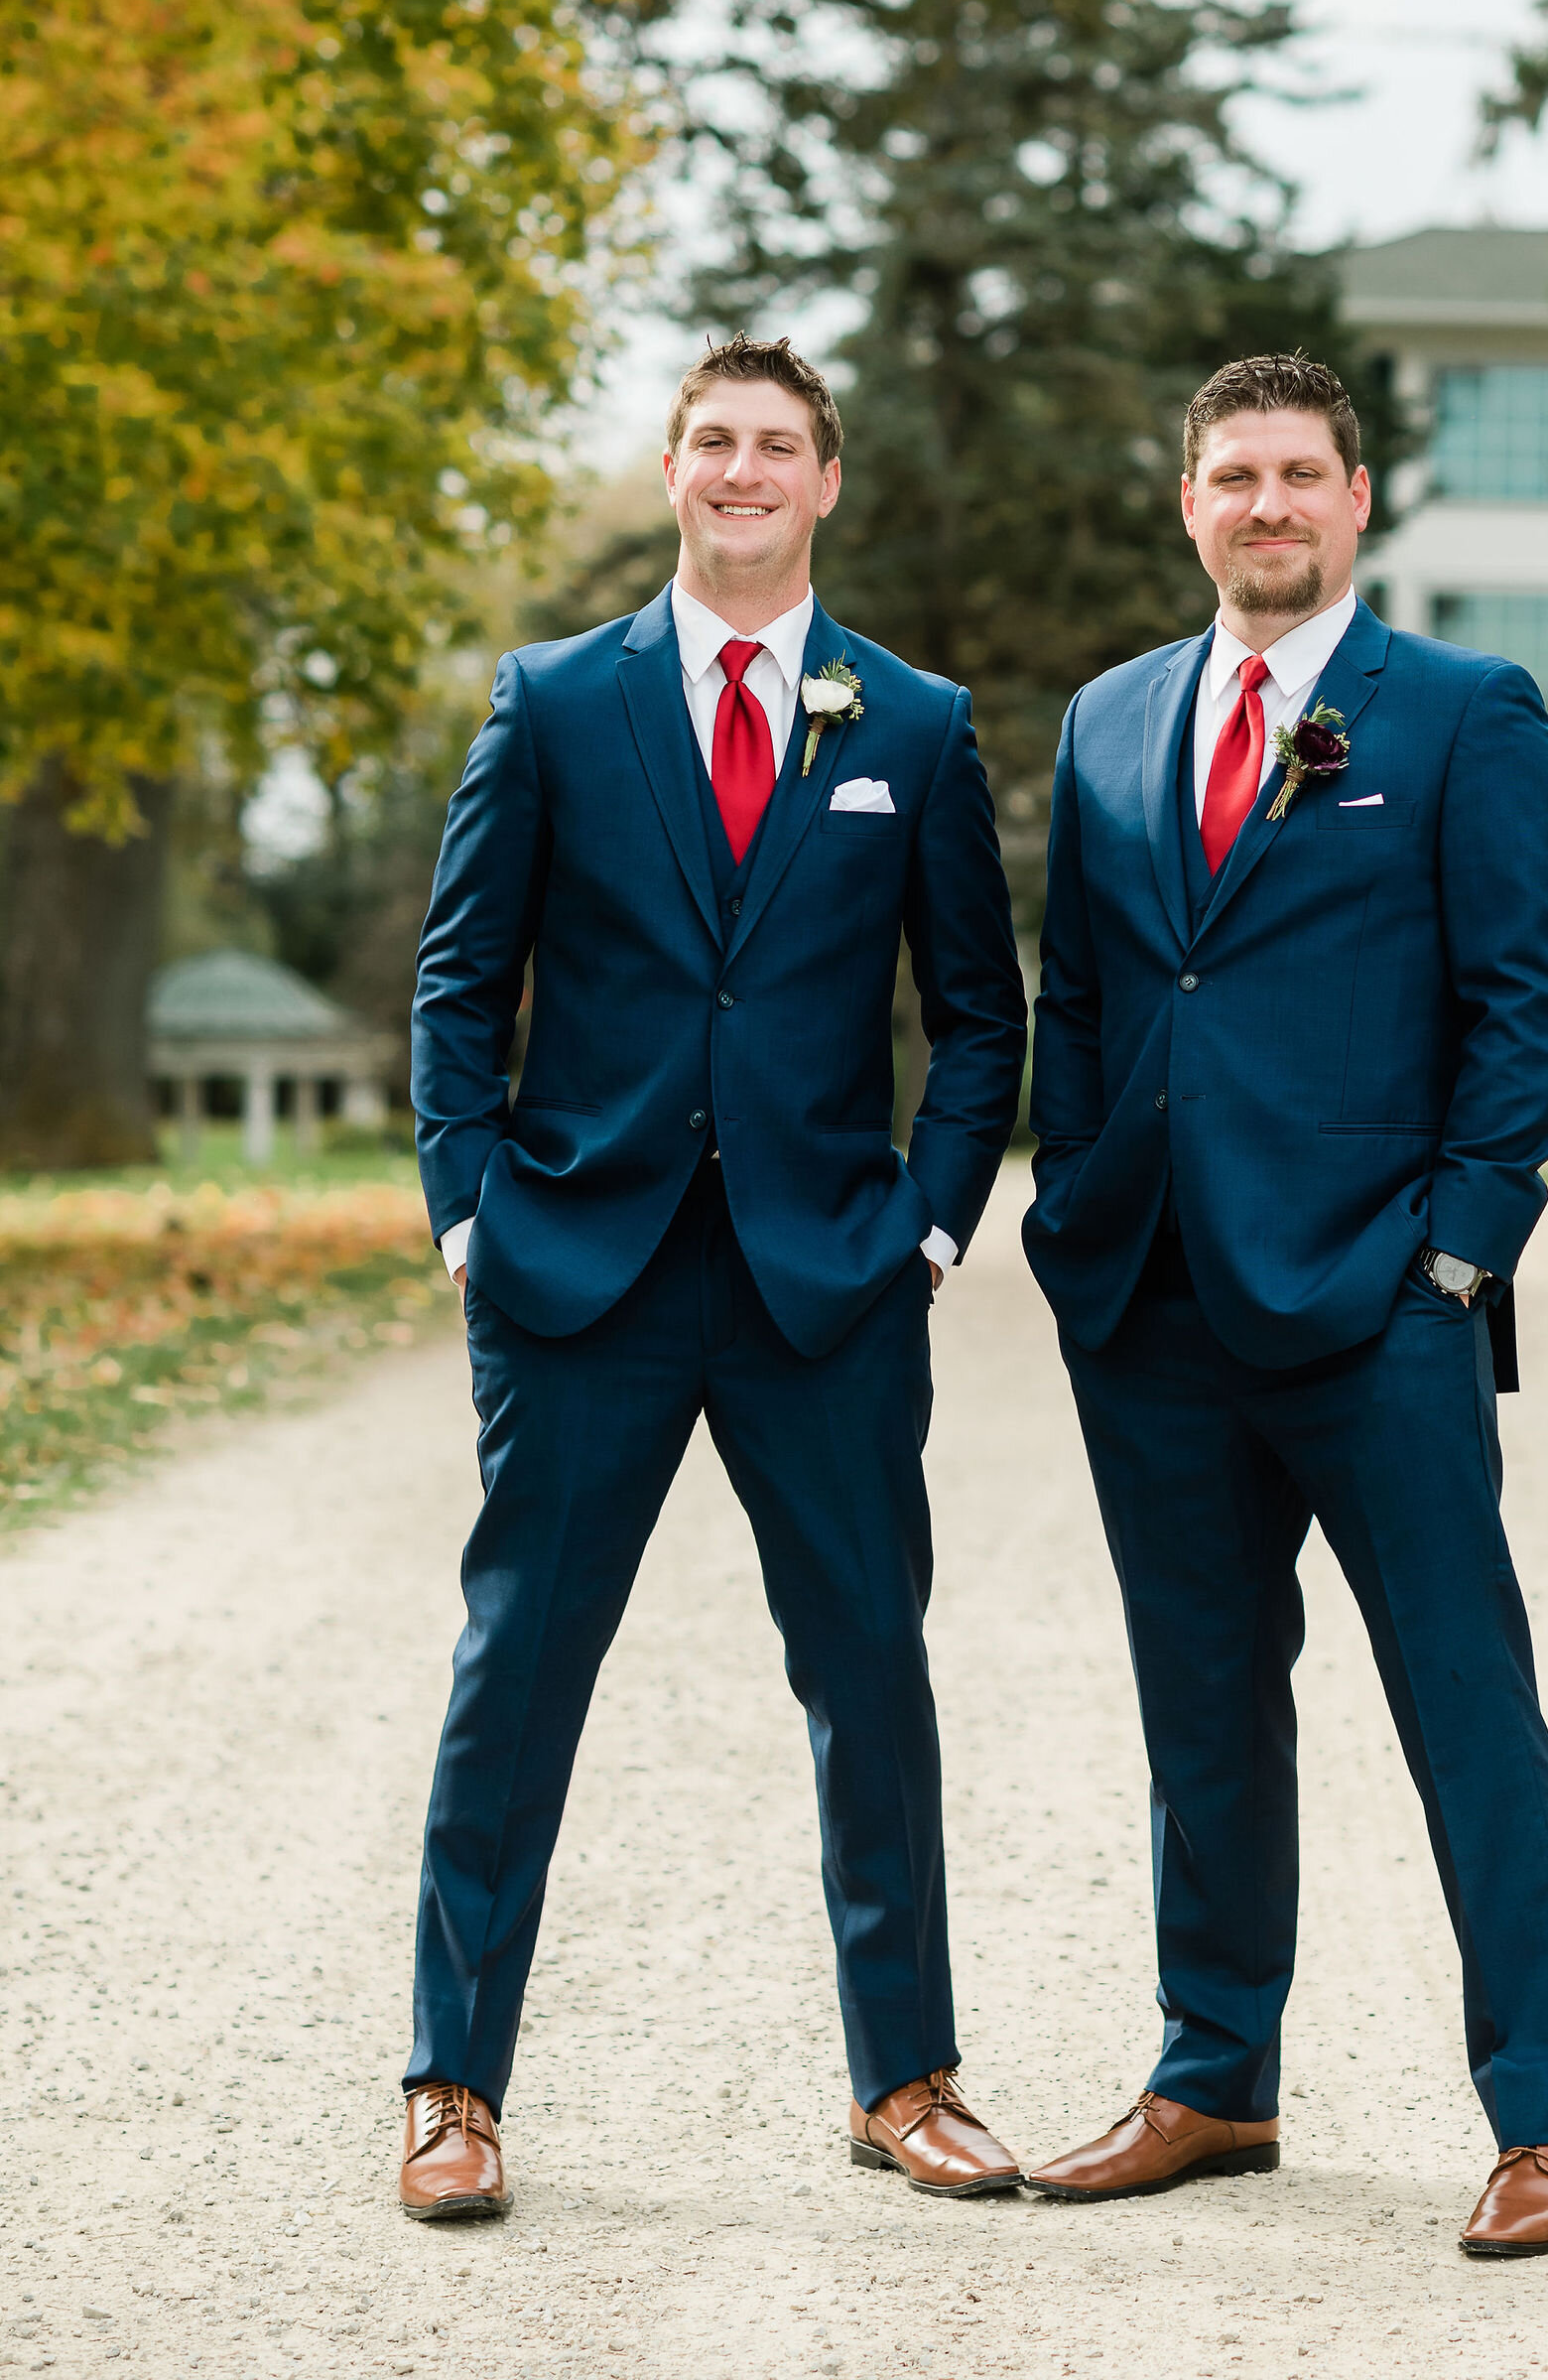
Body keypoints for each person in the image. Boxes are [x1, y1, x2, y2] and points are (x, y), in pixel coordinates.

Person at [398, 333, 1030, 2219]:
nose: (746, 470)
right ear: (674, 472)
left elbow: (981, 1016)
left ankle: (906, 2079)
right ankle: (452, 2088)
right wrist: (468, 1216)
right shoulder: (553, 701)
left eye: (780, 446)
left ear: (827, 482)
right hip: (578, 1274)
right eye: (714, 442)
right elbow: (459, 982)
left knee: (870, 1678)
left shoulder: (908, 723)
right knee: (518, 1677)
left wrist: (924, 1229)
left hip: (822, 1285)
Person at [1019, 352, 1548, 2255]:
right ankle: (1215, 2080)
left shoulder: (1457, 712)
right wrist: (1072, 1223)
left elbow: (1532, 1002)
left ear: (1359, 499)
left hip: (1381, 1310)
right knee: (1201, 1715)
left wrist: (1458, 1252)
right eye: (1232, 477)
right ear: (1185, 502)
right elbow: (1092, 996)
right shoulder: (1110, 721)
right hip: (1155, 1309)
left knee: (1466, 1708)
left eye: (1299, 475)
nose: (1265, 507)